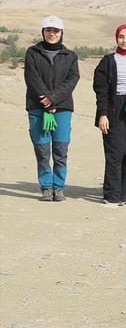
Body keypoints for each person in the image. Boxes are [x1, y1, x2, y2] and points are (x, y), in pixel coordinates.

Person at [24, 15, 79, 202]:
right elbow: (32, 77)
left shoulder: (70, 56)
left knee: (60, 149)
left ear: (61, 33)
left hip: (62, 109)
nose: (52, 34)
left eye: (56, 31)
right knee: (42, 149)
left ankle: (58, 187)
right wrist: (45, 100)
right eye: (48, 30)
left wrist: (53, 99)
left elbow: (72, 80)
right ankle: (46, 186)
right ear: (43, 32)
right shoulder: (33, 53)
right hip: (37, 107)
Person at [94, 24, 126, 205]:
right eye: (121, 37)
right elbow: (101, 91)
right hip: (113, 110)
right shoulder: (107, 62)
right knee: (114, 154)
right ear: (116, 38)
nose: (125, 40)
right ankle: (111, 195)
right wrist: (103, 114)